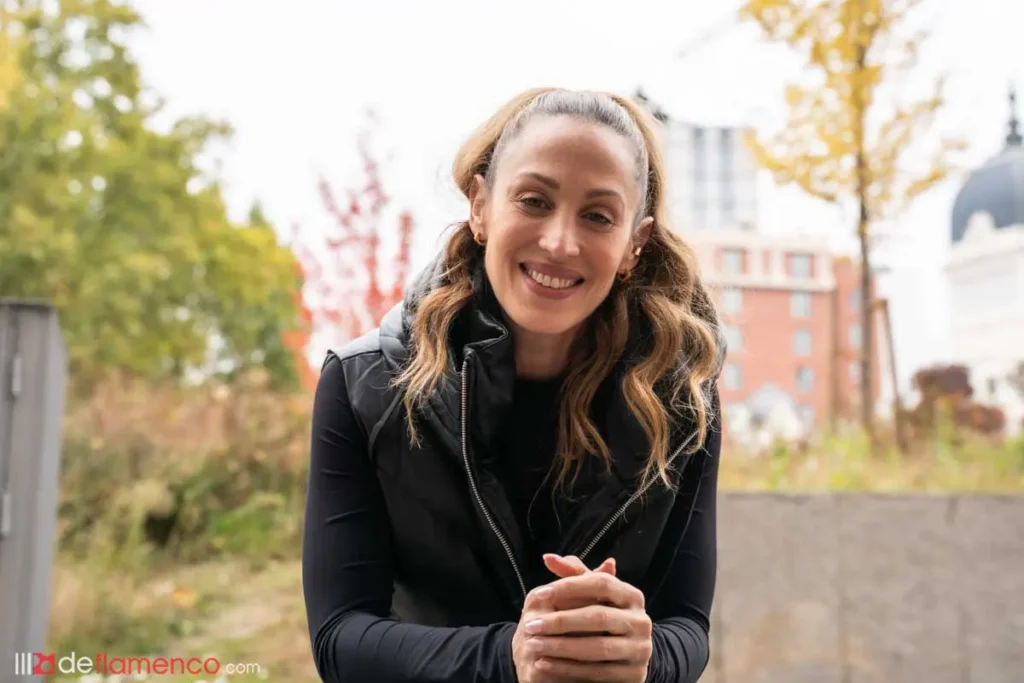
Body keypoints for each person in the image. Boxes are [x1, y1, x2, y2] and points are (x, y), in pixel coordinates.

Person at [302, 87, 725, 683]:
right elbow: (339, 638)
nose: (560, 242)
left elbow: (688, 623)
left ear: (635, 243)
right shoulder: (363, 385)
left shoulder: (682, 404)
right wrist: (514, 655)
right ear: (481, 207)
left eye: (598, 216)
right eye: (533, 200)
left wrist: (646, 655)